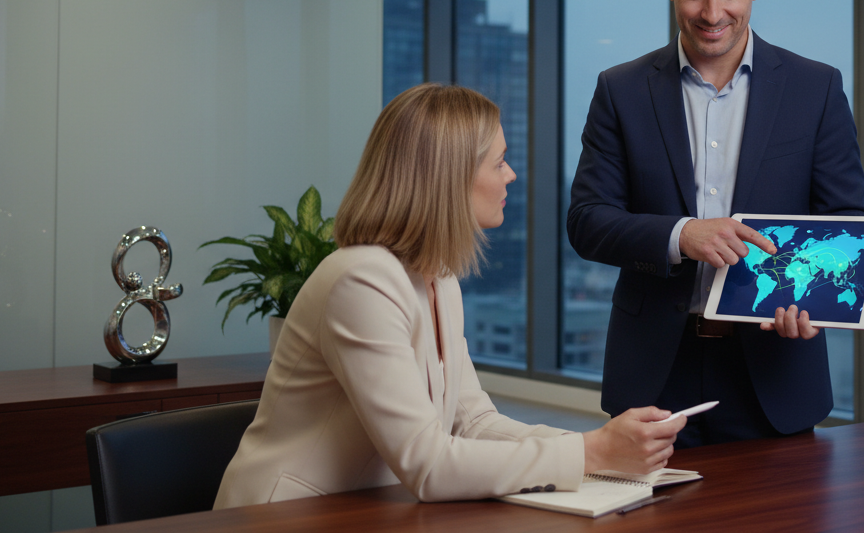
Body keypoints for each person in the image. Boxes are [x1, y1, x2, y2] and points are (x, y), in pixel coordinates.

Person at [215, 83, 683, 508]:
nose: (512, 175)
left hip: (361, 510)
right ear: (449, 176)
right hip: (277, 517)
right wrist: (592, 451)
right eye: (498, 162)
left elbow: (474, 422)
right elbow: (429, 464)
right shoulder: (361, 281)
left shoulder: (438, 278)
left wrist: (599, 447)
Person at [567, 0, 864, 447]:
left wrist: (815, 300)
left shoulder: (815, 88)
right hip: (655, 369)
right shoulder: (621, 90)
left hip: (776, 368)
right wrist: (682, 235)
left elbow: (846, 220)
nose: (712, 12)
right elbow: (588, 221)